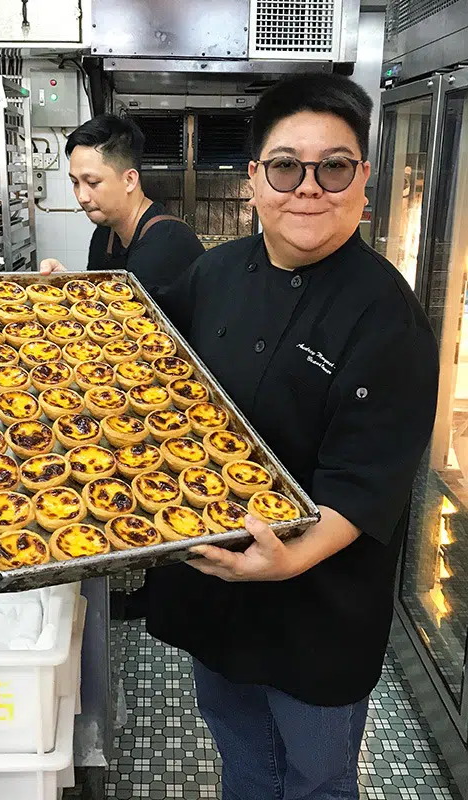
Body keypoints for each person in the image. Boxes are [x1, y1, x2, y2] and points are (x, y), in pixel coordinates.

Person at [42, 73, 439, 798]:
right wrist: (62, 310)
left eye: (333, 167)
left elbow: (368, 479)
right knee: (245, 759)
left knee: (316, 779)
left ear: (363, 180)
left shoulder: (389, 316)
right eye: (286, 167)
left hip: (319, 608)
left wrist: (290, 561)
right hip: (219, 590)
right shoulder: (217, 270)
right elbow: (144, 349)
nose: (308, 188)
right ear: (254, 179)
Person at [40, 113, 204, 293]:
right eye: (75, 182)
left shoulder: (166, 243)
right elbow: (100, 303)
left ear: (129, 180)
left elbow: (141, 311)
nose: (82, 197)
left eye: (92, 182)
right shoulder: (104, 234)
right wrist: (68, 286)